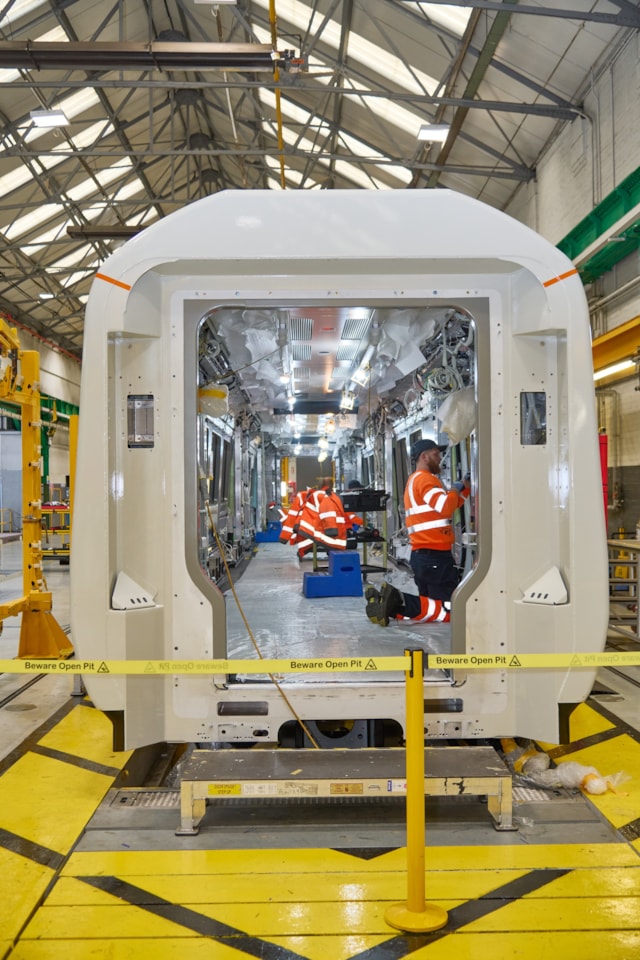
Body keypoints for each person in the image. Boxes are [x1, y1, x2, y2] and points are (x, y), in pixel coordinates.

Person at [365, 438, 470, 626]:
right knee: (448, 610)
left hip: (423, 555)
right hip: (435, 556)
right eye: (436, 454)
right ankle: (397, 600)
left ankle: (390, 606)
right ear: (424, 456)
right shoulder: (426, 479)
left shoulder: (414, 480)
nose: (440, 459)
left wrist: (465, 489)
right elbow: (446, 507)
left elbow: (448, 505)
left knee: (432, 608)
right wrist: (455, 489)